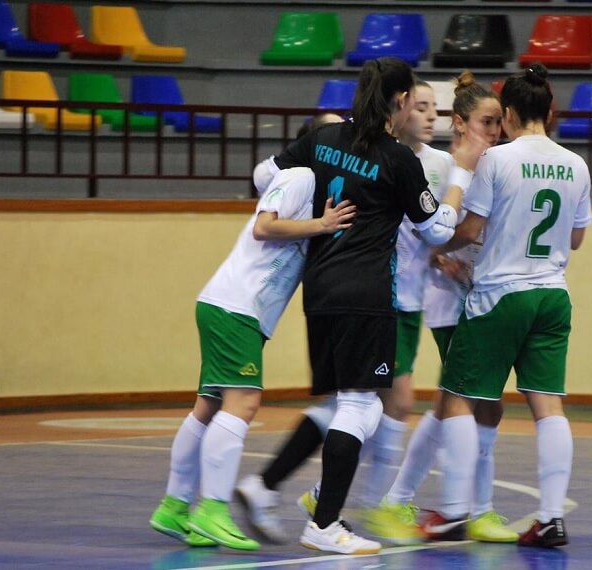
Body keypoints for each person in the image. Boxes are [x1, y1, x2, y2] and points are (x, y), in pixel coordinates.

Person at [235, 56, 485, 555]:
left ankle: (286, 492)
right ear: (398, 102)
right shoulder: (398, 160)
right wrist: (461, 171)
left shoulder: (322, 141)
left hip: (319, 289)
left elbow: (264, 177)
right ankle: (324, 523)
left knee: (344, 406)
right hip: (367, 294)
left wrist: (308, 211)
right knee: (361, 405)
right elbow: (437, 229)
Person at [148, 145, 357, 550]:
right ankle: (213, 509)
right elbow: (265, 226)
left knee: (208, 407)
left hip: (232, 307)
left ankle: (174, 507)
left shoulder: (316, 188)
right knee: (243, 402)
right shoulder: (302, 178)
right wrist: (322, 225)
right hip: (236, 307)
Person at [425, 63, 592, 548]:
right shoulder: (576, 164)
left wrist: (436, 246)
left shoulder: (498, 161)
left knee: (457, 397)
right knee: (547, 405)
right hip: (553, 295)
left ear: (512, 113)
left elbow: (472, 230)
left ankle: (455, 511)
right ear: (552, 110)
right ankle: (551, 517)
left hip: (500, 293)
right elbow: (577, 238)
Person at [363, 71, 520, 545]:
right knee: (473, 403)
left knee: (457, 403)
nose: (496, 130)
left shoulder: (494, 163)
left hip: (479, 292)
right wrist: (443, 252)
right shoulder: (444, 167)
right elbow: (428, 226)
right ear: (461, 123)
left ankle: (400, 496)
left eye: (499, 122)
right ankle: (470, 507)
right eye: (487, 122)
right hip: (448, 297)